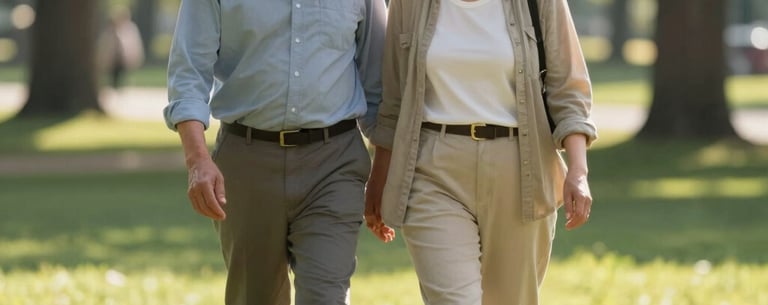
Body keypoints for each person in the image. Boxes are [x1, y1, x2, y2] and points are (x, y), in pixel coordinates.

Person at [364, 0, 597, 304]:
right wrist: (379, 176)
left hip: (521, 171)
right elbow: (393, 97)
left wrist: (578, 170)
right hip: (431, 169)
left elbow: (568, 88)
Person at [163, 0, 387, 304]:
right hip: (246, 161)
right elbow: (188, 75)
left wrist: (384, 174)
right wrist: (197, 160)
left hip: (335, 164)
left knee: (326, 296)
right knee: (255, 297)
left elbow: (381, 87)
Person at [98, 7, 144, 89]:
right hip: (114, 59)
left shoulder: (129, 29)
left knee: (119, 75)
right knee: (114, 76)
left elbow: (132, 45)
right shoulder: (111, 31)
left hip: (123, 58)